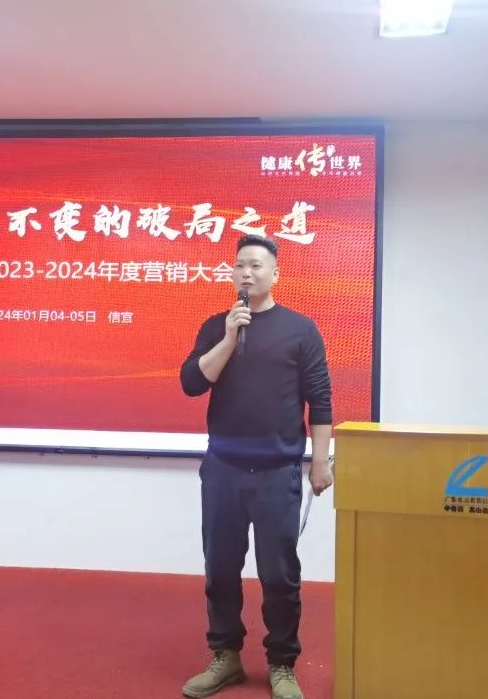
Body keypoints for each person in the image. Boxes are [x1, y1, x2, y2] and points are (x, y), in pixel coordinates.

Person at [178, 235, 334, 699]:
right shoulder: (217, 326)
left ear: (275, 274)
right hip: (223, 470)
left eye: (256, 266)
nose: (246, 273)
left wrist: (319, 463)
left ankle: (282, 663)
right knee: (220, 569)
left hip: (277, 472)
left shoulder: (301, 330)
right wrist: (229, 338)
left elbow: (320, 401)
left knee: (279, 575)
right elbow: (192, 383)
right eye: (239, 266)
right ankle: (225, 656)